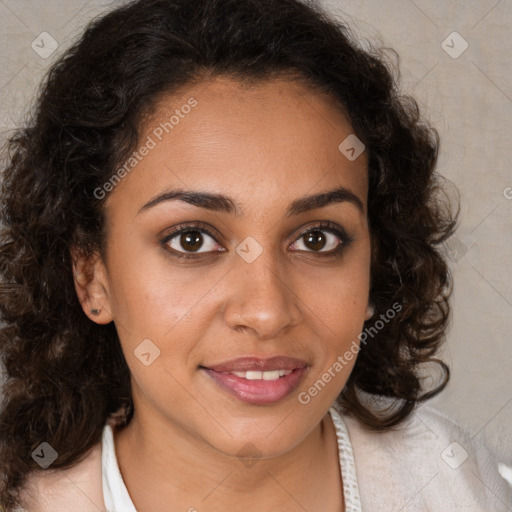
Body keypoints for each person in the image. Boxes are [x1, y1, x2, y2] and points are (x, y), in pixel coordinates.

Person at [0, 0, 510, 510]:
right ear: (92, 275)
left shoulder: (467, 488)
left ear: (377, 263)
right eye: (192, 240)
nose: (266, 312)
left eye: (317, 239)